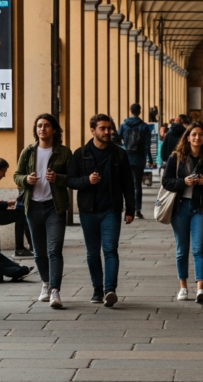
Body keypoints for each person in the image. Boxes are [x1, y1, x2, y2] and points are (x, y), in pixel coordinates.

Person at [67, 114, 136, 307]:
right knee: (92, 253)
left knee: (110, 250)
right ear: (92, 130)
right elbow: (70, 180)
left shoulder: (119, 154)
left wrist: (130, 209)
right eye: (103, 128)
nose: (107, 132)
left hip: (111, 210)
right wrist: (86, 181)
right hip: (88, 210)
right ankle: (97, 289)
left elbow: (127, 184)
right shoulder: (80, 154)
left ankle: (110, 290)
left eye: (109, 128)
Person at [13, 113, 72, 307]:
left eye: (46, 125)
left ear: (54, 129)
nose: (42, 129)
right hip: (33, 206)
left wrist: (58, 178)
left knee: (54, 249)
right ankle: (45, 284)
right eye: (39, 126)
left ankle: (55, 291)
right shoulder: (28, 152)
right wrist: (25, 180)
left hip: (55, 207)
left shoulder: (63, 152)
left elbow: (72, 178)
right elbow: (16, 175)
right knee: (38, 252)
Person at [162, 122, 203, 303]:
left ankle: (200, 289)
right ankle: (183, 287)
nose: (197, 138)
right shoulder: (176, 157)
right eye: (194, 134)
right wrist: (183, 182)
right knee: (182, 250)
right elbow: (166, 182)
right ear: (187, 137)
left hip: (200, 208)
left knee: (199, 249)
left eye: (200, 135)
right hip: (180, 208)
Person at [0, 157, 33, 257]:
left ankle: (31, 246)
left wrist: (4, 205)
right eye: (3, 172)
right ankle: (19, 249)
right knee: (20, 215)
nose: (4, 175)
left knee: (22, 211)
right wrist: (7, 203)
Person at [118, 103, 153, 219]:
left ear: (130, 111)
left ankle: (126, 207)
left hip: (126, 157)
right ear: (140, 112)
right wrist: (150, 159)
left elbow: (117, 140)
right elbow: (147, 144)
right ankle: (137, 210)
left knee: (125, 183)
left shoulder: (124, 125)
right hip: (139, 158)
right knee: (137, 184)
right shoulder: (144, 126)